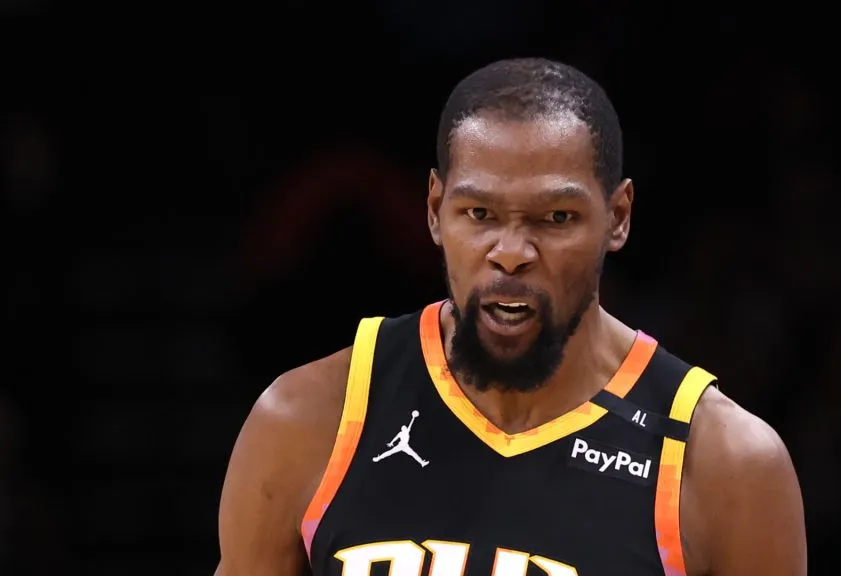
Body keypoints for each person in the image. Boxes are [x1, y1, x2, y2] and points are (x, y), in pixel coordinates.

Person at [215, 57, 806, 576]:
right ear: (433, 210)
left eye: (556, 219)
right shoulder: (311, 417)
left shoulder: (724, 463)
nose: (512, 252)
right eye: (478, 213)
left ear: (618, 217)